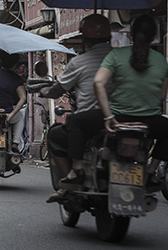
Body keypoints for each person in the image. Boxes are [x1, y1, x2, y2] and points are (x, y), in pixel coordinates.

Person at [61, 14, 168, 189]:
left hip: (118, 118)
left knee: (77, 122)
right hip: (150, 121)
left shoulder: (116, 54)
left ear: (130, 34)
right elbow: (161, 97)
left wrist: (108, 116)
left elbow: (98, 83)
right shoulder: (161, 61)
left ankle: (76, 170)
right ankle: (151, 173)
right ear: (153, 36)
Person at [39, 14, 113, 203]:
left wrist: (45, 91)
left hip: (91, 120)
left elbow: (58, 90)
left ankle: (71, 181)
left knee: (55, 135)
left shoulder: (79, 62)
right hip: (121, 117)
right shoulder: (120, 58)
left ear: (85, 39)